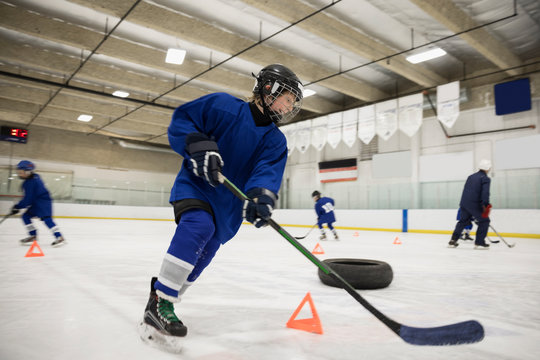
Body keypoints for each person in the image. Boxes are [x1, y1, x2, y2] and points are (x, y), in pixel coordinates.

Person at [139, 64, 304, 346]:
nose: (289, 106)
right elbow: (183, 120)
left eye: (292, 102)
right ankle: (162, 303)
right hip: (197, 186)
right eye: (287, 98)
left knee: (206, 252)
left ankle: (162, 300)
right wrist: (198, 145)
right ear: (267, 89)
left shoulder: (275, 141)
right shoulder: (224, 106)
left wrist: (261, 198)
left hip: (227, 206)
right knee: (198, 226)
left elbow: (266, 172)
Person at [9, 160, 65, 247]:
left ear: (28, 172)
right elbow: (30, 198)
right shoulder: (35, 177)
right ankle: (33, 236)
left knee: (47, 219)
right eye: (18, 172)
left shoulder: (30, 183)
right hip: (36, 202)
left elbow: (28, 199)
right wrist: (19, 206)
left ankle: (59, 237)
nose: (19, 174)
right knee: (25, 216)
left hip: (43, 202)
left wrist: (17, 206)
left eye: (21, 172)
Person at [448, 159, 492, 249]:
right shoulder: (485, 179)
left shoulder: (471, 176)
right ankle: (479, 242)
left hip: (464, 203)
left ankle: (453, 241)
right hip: (475, 204)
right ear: (488, 168)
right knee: (485, 221)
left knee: (463, 221)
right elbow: (485, 193)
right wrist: (486, 205)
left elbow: (466, 190)